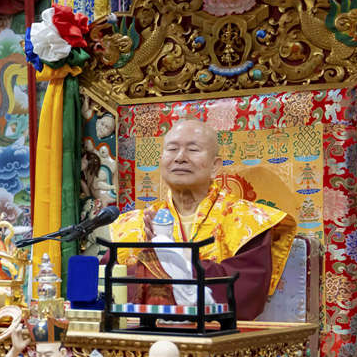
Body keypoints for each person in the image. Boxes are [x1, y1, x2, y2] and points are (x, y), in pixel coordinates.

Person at [109, 118, 296, 319]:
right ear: (161, 160)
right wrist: (158, 262)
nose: (180, 157)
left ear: (215, 166)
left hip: (217, 334)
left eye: (192, 150)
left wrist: (168, 258)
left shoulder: (249, 221)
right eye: (172, 149)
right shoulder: (132, 224)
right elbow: (107, 283)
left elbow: (245, 291)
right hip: (142, 333)